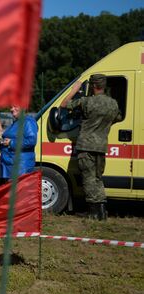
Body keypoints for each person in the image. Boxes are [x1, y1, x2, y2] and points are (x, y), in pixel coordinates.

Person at [60, 74, 121, 220]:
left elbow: (64, 105)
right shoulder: (113, 103)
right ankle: (102, 211)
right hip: (101, 146)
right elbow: (117, 118)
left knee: (88, 178)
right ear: (104, 86)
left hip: (86, 145)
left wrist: (74, 90)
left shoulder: (86, 102)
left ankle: (94, 212)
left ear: (93, 86)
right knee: (97, 178)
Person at [0, 106, 38, 180]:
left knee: (18, 190)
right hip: (10, 165)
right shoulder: (16, 122)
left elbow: (31, 141)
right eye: (11, 107)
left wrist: (11, 143)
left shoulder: (28, 122)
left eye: (15, 106)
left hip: (20, 167)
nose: (12, 109)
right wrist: (0, 143)